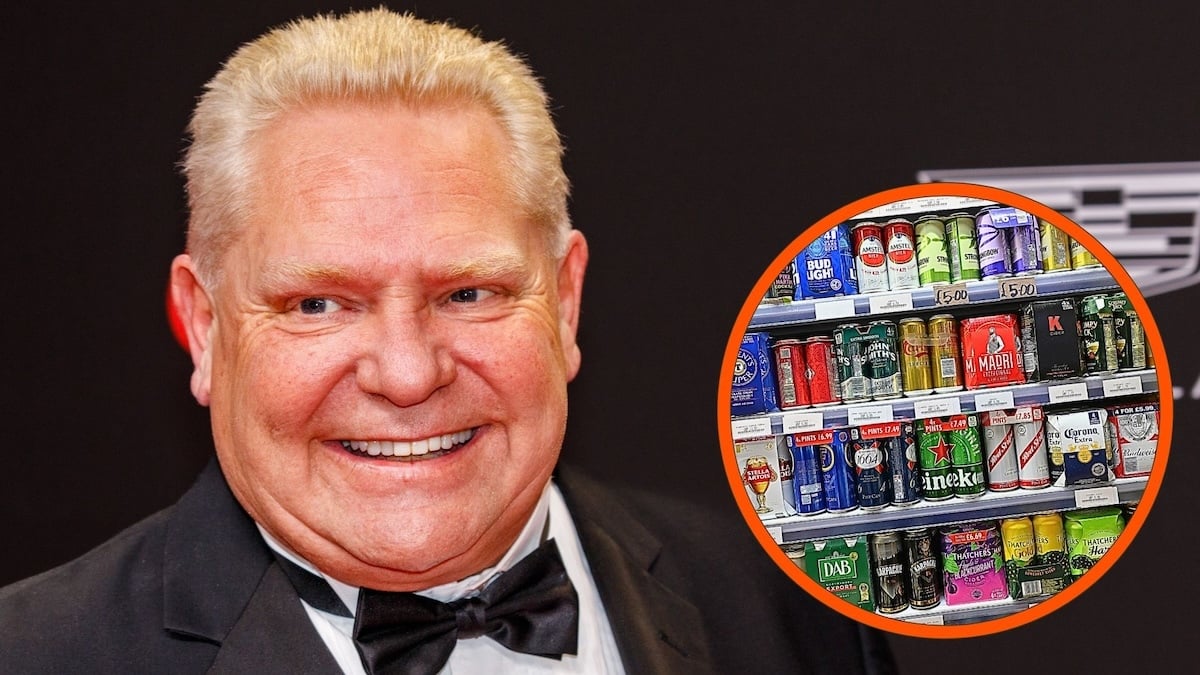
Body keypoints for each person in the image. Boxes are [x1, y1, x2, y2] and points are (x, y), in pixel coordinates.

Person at [0, 9, 895, 674]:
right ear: (203, 325)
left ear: (566, 301)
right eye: (319, 303)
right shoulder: (40, 653)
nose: (406, 372)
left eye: (468, 292)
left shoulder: (787, 605)